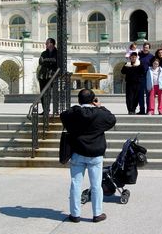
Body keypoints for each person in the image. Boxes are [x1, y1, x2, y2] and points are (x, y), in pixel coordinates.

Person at [60, 89, 116, 223]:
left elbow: (63, 115)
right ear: (93, 100)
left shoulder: (74, 113)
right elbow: (112, 119)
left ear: (79, 100)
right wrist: (101, 106)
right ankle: (97, 213)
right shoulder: (100, 114)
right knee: (96, 185)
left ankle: (75, 214)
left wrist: (76, 107)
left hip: (78, 153)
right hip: (95, 153)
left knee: (75, 184)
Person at [37, 38, 58, 115]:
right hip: (43, 75)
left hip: (52, 75)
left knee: (49, 93)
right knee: (42, 93)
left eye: (47, 43)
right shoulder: (44, 53)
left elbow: (55, 60)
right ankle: (45, 109)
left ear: (52, 44)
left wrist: (45, 60)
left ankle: (53, 109)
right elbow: (40, 62)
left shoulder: (57, 52)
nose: (46, 45)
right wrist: (48, 60)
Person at [138, 42, 154, 114]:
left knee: (148, 95)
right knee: (140, 95)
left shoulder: (151, 57)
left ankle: (148, 110)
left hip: (148, 77)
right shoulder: (139, 55)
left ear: (149, 48)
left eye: (147, 47)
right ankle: (142, 110)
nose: (146, 49)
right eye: (144, 47)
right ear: (143, 48)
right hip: (140, 77)